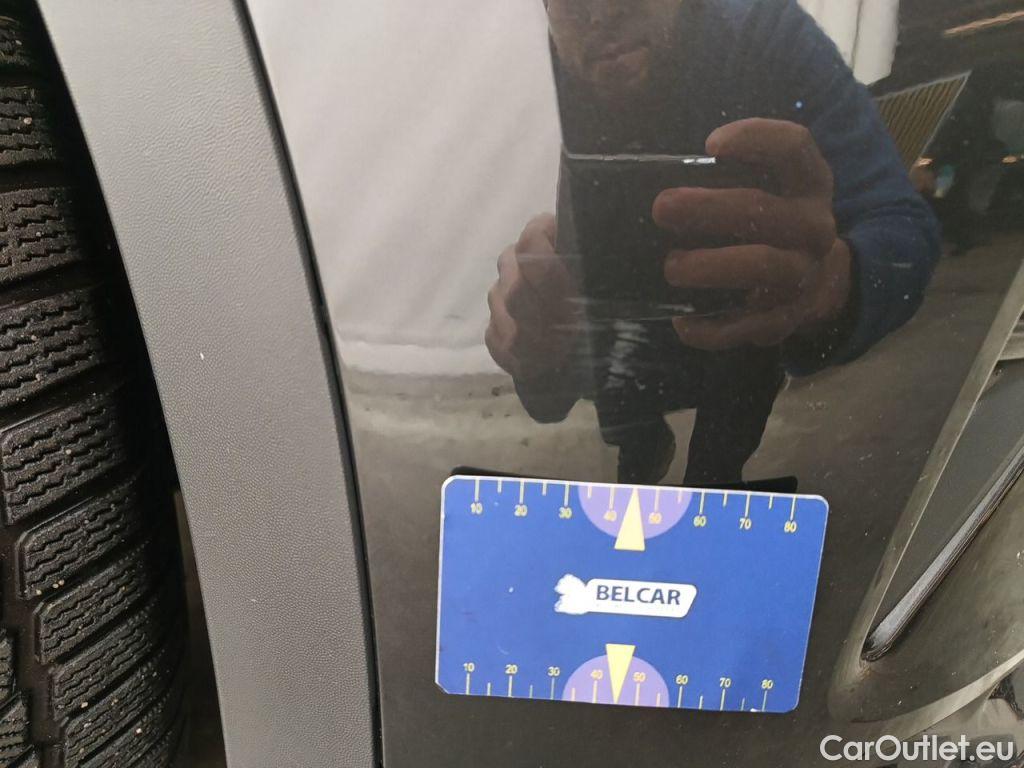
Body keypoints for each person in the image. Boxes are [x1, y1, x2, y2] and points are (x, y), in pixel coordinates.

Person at [486, 0, 941, 485]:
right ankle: (647, 443)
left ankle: (699, 465)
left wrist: (829, 281)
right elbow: (899, 224)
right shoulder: (546, 68)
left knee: (718, 443)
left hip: (740, 331)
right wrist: (534, 341)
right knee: (652, 417)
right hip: (625, 336)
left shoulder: (762, 32)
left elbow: (899, 225)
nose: (600, 11)